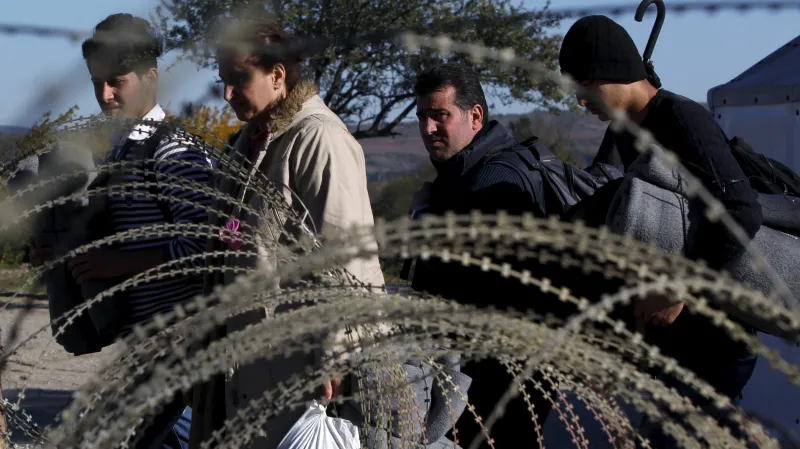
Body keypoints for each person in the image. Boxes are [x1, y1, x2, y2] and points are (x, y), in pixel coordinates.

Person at [558, 15, 763, 447]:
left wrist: (677, 287)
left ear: (614, 72)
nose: (581, 101)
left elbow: (741, 210)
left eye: (585, 86)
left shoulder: (682, 119)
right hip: (679, 348)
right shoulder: (627, 131)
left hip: (718, 345)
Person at [188, 20, 385, 449]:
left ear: (277, 75)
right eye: (222, 81)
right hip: (242, 364)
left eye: (238, 80)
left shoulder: (319, 141)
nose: (227, 94)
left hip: (295, 372)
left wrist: (338, 355)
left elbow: (349, 257)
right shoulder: (247, 145)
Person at [29, 13, 213, 449]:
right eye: (97, 83)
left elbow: (206, 246)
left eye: (117, 82)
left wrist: (120, 264)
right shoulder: (121, 153)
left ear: (150, 78)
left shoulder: (174, 150)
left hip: (184, 351)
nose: (105, 95)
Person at [407, 63, 568, 448]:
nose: (428, 128)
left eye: (440, 115)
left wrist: (423, 221)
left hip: (502, 376)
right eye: (422, 117)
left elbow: (472, 286)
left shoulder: (495, 180)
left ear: (475, 116)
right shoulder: (464, 175)